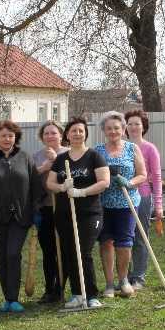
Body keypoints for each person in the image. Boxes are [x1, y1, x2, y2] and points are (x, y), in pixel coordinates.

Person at [0, 120, 42, 313]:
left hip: (21, 217)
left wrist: (37, 212)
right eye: (3, 135)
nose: (7, 139)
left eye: (11, 135)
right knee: (1, 257)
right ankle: (8, 299)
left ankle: (13, 298)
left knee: (13, 254)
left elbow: (36, 186)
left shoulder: (25, 157)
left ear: (15, 137)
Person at [46, 117, 110, 309]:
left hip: (89, 213)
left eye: (81, 130)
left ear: (85, 134)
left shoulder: (94, 156)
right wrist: (61, 187)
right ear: (67, 134)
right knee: (70, 253)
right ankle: (76, 294)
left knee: (83, 251)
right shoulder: (61, 159)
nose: (77, 134)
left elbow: (104, 182)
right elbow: (49, 183)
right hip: (64, 214)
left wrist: (82, 192)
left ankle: (91, 295)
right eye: (73, 130)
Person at [94, 111, 146, 298]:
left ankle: (123, 280)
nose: (113, 131)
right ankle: (109, 284)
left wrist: (129, 182)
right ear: (104, 130)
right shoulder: (97, 151)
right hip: (104, 203)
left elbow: (142, 174)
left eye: (116, 128)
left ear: (123, 129)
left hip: (127, 203)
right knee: (106, 242)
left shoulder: (132, 148)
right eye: (109, 128)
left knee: (125, 243)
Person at [124, 110, 163, 289]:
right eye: (130, 124)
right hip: (122, 199)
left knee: (140, 237)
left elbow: (157, 178)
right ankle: (124, 277)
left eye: (137, 124)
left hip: (143, 197)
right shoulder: (121, 148)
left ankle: (138, 277)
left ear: (143, 127)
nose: (133, 127)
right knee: (124, 238)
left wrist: (159, 205)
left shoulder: (149, 148)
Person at [32, 120, 69, 303]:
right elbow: (31, 180)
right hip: (46, 207)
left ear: (61, 135)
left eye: (53, 133)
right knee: (48, 250)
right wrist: (44, 167)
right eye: (46, 133)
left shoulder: (68, 153)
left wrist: (56, 161)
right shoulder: (37, 156)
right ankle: (49, 288)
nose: (50, 136)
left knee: (64, 249)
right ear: (42, 137)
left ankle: (60, 288)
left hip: (64, 207)